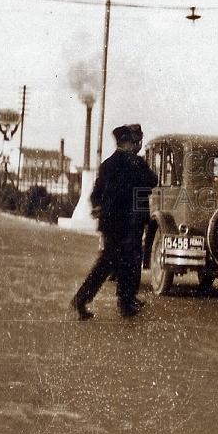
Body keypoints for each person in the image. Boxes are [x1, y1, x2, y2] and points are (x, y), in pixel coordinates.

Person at [71, 123, 158, 319]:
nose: (137, 145)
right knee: (125, 262)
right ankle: (112, 302)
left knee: (112, 263)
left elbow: (96, 193)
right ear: (126, 143)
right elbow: (153, 181)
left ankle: (118, 302)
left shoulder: (107, 164)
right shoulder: (135, 164)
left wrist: (99, 208)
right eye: (134, 142)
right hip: (129, 223)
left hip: (111, 223)